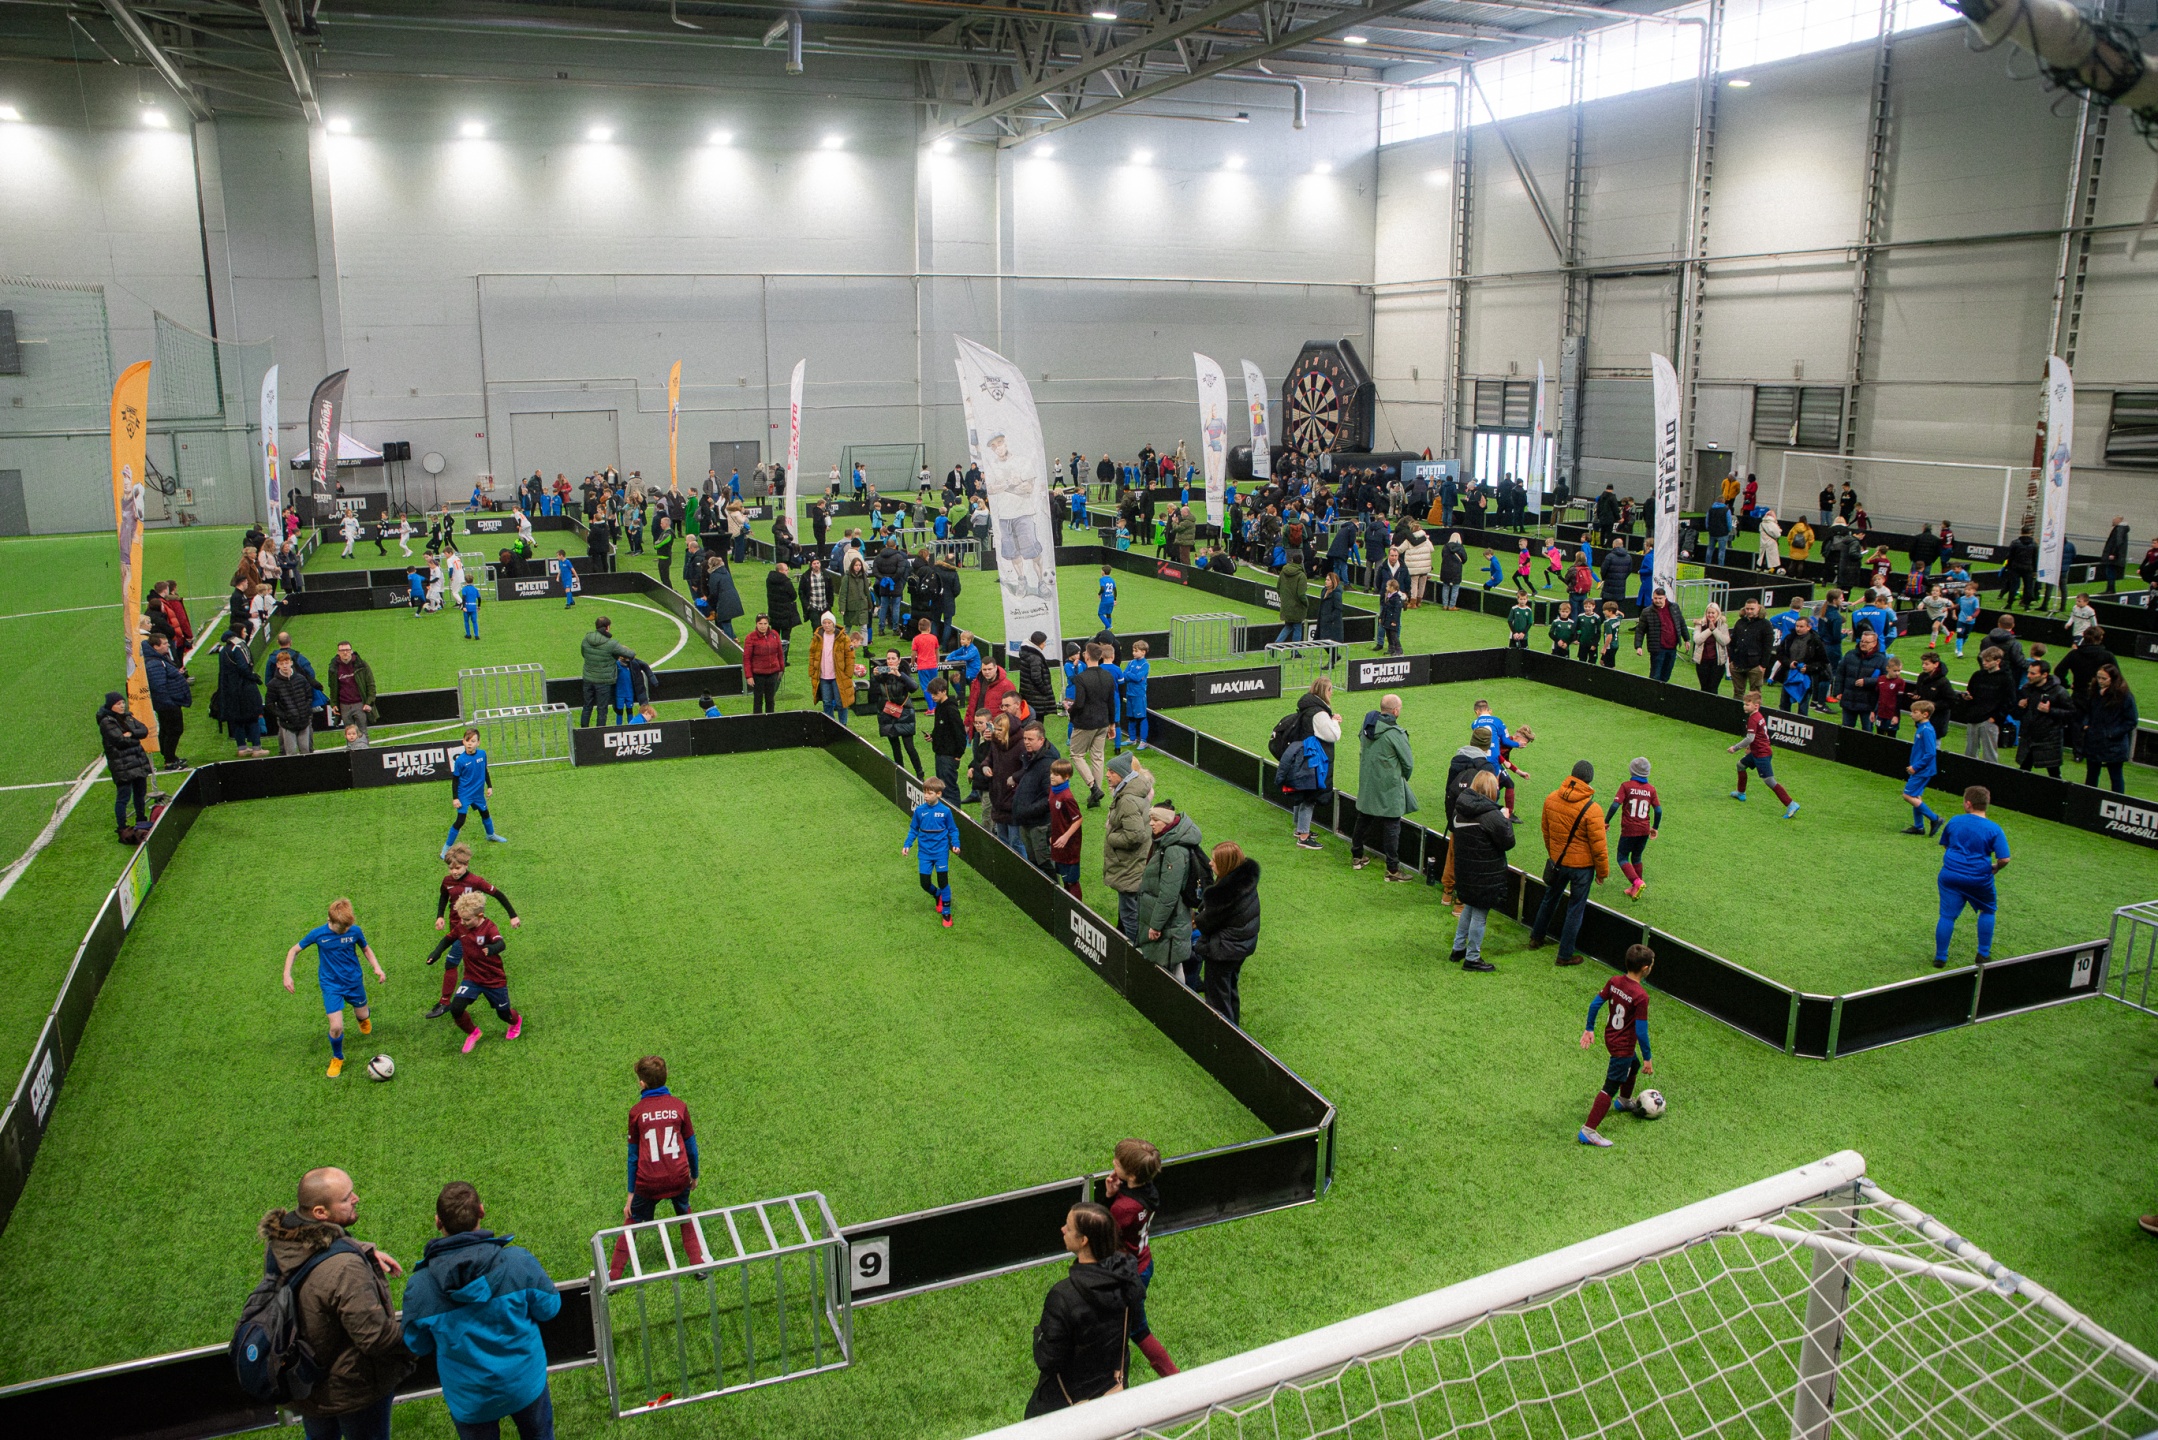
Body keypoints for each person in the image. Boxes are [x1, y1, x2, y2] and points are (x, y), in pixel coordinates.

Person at [252, 1167, 410, 1440]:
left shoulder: (279, 1242)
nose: (356, 1198)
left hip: (305, 1383)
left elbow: (313, 1250)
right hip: (352, 1391)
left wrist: (362, 1249)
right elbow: (375, 1339)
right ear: (320, 1213)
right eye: (347, 1198)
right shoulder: (346, 1269)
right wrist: (418, 1339)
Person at [400, 1182, 561, 1440]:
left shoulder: (420, 1287)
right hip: (524, 1385)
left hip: (471, 1400)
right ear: (482, 1211)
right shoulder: (518, 1262)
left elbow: (417, 1344)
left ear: (438, 1222)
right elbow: (550, 1308)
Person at [1022, 1202, 1142, 1418]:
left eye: (1068, 1227)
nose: (1062, 1229)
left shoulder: (1063, 1296)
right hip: (1112, 1398)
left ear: (1084, 1240)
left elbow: (1047, 1360)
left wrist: (1038, 1334)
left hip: (1065, 1407)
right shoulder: (1129, 1281)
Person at [606, 1056, 707, 1280]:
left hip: (649, 1181)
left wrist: (631, 1194)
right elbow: (691, 1147)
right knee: (684, 1212)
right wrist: (694, 1174)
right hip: (678, 1177)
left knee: (632, 1219)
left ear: (642, 1083)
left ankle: (614, 1275)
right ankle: (697, 1264)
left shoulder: (636, 1112)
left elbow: (633, 1157)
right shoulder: (679, 1106)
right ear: (665, 1077)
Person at [283, 898, 386, 1079]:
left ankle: (362, 1018)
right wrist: (287, 974)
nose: (346, 929)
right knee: (336, 1026)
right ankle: (338, 1057)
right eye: (343, 927)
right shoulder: (318, 934)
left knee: (363, 1015)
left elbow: (366, 949)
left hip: (354, 982)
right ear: (330, 920)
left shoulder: (354, 930)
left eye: (348, 926)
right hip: (331, 985)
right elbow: (293, 950)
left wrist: (376, 967)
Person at [1526, 760, 1609, 967]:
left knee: (1549, 898)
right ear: (1589, 780)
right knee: (1575, 909)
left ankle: (1536, 937)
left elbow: (1546, 831)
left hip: (1558, 861)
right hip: (1582, 868)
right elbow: (1599, 846)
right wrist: (1602, 872)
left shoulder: (1551, 798)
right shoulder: (1592, 809)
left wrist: (1554, 854)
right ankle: (1564, 954)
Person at [1577, 944, 1657, 1147]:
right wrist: (1648, 1057)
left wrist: (1589, 1028)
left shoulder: (1615, 981)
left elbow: (1595, 1004)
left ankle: (1624, 1101)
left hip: (1611, 1037)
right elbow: (1641, 1031)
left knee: (1633, 1064)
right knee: (1609, 1087)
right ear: (1645, 968)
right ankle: (1588, 1130)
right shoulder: (1641, 996)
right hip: (1623, 1047)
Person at [427, 890, 522, 1054]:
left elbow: (501, 944)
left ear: (480, 915)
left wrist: (491, 949)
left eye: (467, 919)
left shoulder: (489, 928)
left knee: (504, 1014)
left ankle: (516, 1021)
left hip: (494, 980)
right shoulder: (462, 927)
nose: (463, 922)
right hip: (472, 978)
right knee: (456, 1008)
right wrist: (436, 953)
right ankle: (473, 1033)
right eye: (461, 919)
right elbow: (448, 939)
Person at [1934, 786, 2010, 968]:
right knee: (1987, 910)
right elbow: (2004, 858)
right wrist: (1996, 867)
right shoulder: (1994, 829)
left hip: (1950, 875)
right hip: (1979, 878)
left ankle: (1940, 958)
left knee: (1947, 916)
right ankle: (1983, 954)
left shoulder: (1955, 821)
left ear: (1968, 803)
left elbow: (1946, 844)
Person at [1447, 771, 1515, 973]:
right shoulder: (1491, 815)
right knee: (1480, 914)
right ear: (1492, 790)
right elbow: (1508, 841)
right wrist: (1505, 819)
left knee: (1469, 907)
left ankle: (1458, 948)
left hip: (1465, 870)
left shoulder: (1460, 809)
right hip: (1485, 873)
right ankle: (1472, 957)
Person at [1192, 841, 1260, 1023]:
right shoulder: (1246, 883)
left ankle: (1223, 1035)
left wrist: (1197, 917)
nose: (1210, 863)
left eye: (1214, 860)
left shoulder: (1224, 895)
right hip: (1240, 948)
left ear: (1225, 865)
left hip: (1224, 951)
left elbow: (1205, 922)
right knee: (1230, 990)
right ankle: (1234, 1027)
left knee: (1218, 999)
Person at [1136, 803, 1204, 983]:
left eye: (1155, 819)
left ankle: (1178, 997)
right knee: (1173, 965)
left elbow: (1169, 894)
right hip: (1172, 919)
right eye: (1150, 819)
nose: (1151, 823)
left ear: (1166, 822)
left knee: (1172, 967)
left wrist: (1155, 926)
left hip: (1172, 921)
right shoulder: (1166, 841)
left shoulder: (1174, 850)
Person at [1351, 695, 1416, 881]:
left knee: (1364, 817)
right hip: (1389, 785)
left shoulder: (1366, 726)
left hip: (1368, 781)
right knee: (1392, 825)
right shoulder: (1395, 734)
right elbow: (1408, 764)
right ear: (1395, 711)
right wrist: (1400, 777)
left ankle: (1357, 856)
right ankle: (1392, 870)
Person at [1102, 753, 1155, 943]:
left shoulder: (1127, 800)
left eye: (1111, 771)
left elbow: (1136, 835)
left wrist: (1111, 837)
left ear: (1123, 774)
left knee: (1129, 915)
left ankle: (1134, 952)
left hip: (1129, 865)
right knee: (1133, 911)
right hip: (1135, 862)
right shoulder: (1132, 793)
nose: (1107, 775)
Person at [1728, 690, 1800, 817]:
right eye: (1744, 704)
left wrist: (1735, 747)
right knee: (1740, 765)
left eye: (1747, 704)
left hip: (1762, 754)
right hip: (1757, 751)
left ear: (1756, 706)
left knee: (1769, 780)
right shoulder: (1758, 716)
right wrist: (1750, 748)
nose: (1745, 706)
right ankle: (1741, 793)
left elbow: (1750, 738)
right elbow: (1759, 736)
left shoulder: (1753, 719)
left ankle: (1791, 804)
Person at [903, 776, 963, 926]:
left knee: (943, 881)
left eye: (929, 793)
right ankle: (937, 895)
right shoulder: (919, 811)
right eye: (924, 792)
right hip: (924, 853)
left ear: (938, 794)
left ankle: (946, 913)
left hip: (941, 852)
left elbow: (953, 830)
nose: (925, 796)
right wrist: (907, 844)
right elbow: (913, 829)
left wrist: (955, 844)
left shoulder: (945, 811)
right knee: (924, 883)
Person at [98, 693, 155, 842]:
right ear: (111, 706)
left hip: (137, 761)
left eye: (123, 702)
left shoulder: (128, 717)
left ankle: (141, 820)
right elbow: (120, 741)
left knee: (140, 793)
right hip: (122, 765)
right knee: (123, 796)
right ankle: (122, 827)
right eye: (118, 704)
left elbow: (144, 730)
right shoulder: (106, 722)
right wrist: (134, 738)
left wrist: (131, 734)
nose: (122, 705)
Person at [1066, 644, 1119, 806]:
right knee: (1097, 757)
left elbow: (1079, 703)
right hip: (1103, 721)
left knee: (1076, 754)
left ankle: (1093, 787)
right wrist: (1112, 724)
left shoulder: (1081, 678)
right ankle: (1096, 795)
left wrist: (1070, 711)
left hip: (1085, 722)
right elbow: (1111, 702)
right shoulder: (1107, 676)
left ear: (1087, 656)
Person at [443, 727, 507, 856]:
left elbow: (484, 771)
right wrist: (455, 798)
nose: (470, 744)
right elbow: (455, 780)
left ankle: (490, 835)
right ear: (463, 741)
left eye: (473, 741)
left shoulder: (482, 754)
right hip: (464, 794)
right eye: (467, 740)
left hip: (478, 794)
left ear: (478, 742)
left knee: (485, 813)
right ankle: (446, 848)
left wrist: (489, 786)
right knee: (460, 820)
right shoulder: (460, 760)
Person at [1606, 757, 1661, 901]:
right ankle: (1634, 888)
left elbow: (1615, 805)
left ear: (1631, 770)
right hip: (1644, 830)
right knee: (1636, 857)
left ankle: (1637, 882)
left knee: (1622, 857)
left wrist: (1606, 821)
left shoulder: (1626, 786)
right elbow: (1658, 810)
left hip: (1629, 829)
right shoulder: (1651, 789)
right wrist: (1655, 827)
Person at [1011, 722, 1062, 872]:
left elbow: (1050, 797)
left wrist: (1028, 810)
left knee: (1045, 864)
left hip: (1039, 825)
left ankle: (1053, 888)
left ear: (1041, 740)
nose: (1026, 742)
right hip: (1027, 821)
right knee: (1034, 863)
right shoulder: (1031, 757)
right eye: (1025, 738)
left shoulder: (1048, 764)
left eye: (1030, 739)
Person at [2081, 664, 2139, 793]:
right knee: (2091, 774)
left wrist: (2112, 734)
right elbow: (2088, 711)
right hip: (2094, 739)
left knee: (2115, 775)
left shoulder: (2124, 696)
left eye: (2104, 678)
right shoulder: (2094, 692)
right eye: (2098, 677)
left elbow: (2131, 721)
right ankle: (2088, 798)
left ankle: (2118, 800)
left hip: (2114, 744)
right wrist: (2086, 724)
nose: (2100, 681)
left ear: (2113, 679)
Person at [869, 650, 925, 778]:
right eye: (888, 658)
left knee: (909, 747)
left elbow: (914, 687)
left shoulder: (904, 672)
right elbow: (872, 695)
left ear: (899, 660)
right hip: (888, 714)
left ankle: (920, 774)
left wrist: (900, 675)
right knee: (895, 747)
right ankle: (901, 773)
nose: (890, 661)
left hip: (904, 713)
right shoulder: (882, 674)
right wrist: (875, 677)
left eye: (893, 658)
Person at [2013, 658, 2072, 778]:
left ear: (2044, 674)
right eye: (2029, 672)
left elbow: (2071, 713)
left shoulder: (2059, 692)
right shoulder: (2026, 689)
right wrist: (2020, 706)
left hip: (2049, 738)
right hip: (2029, 736)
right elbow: (2017, 714)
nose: (2028, 676)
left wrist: (2050, 711)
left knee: (2053, 772)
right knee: (2023, 769)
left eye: (2033, 673)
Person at [144, 633, 192, 772]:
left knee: (167, 729)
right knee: (174, 730)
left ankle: (170, 756)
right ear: (155, 646)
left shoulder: (159, 659)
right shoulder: (154, 663)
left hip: (168, 702)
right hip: (167, 704)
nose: (168, 645)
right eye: (164, 643)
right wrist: (169, 703)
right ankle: (169, 760)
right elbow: (158, 686)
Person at [1962, 646, 2016, 764]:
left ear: (1998, 661)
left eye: (1987, 661)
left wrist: (1995, 718)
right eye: (1983, 660)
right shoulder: (1977, 675)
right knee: (1969, 753)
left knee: (1990, 755)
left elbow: (2010, 701)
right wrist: (1967, 698)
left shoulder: (2006, 678)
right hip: (1974, 717)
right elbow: (1970, 692)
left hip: (1990, 720)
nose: (1984, 663)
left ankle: (1990, 775)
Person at [577, 618, 633, 729]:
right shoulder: (611, 644)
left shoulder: (586, 639)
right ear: (607, 627)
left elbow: (583, 654)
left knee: (587, 706)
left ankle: (583, 731)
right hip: (603, 681)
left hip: (588, 679)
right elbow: (630, 654)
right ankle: (600, 733)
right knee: (602, 709)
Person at [328, 641, 377, 743]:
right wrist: (333, 704)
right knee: (349, 733)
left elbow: (371, 685)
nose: (345, 652)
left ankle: (364, 750)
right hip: (344, 705)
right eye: (342, 650)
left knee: (362, 732)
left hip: (359, 704)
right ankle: (351, 751)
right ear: (338, 652)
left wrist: (369, 702)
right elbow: (332, 687)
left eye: (347, 650)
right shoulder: (333, 668)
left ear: (351, 651)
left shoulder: (361, 665)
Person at [742, 614, 786, 714]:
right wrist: (749, 676)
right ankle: (758, 720)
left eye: (765, 623)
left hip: (773, 673)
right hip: (758, 675)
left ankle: (770, 720)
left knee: (770, 700)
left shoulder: (775, 635)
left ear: (768, 624)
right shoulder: (750, 637)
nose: (763, 626)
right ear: (756, 624)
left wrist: (781, 669)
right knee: (758, 700)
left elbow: (780, 653)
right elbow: (747, 658)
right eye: (760, 623)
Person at [1690, 604, 1730, 693]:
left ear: (1717, 613)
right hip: (1702, 661)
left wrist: (1714, 630)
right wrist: (1709, 630)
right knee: (1704, 687)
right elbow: (1697, 640)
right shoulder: (1700, 624)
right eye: (1708, 613)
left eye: (1713, 613)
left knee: (1713, 688)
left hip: (1717, 662)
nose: (1710, 615)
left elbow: (1725, 641)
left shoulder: (1723, 625)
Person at [1119, 641, 1152, 750]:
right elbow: (1124, 675)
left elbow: (1137, 678)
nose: (1133, 653)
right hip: (1129, 694)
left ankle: (1143, 741)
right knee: (1131, 717)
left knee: (1141, 717)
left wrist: (1129, 675)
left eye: (1136, 651)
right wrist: (1131, 675)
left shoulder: (1145, 665)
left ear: (1143, 652)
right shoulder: (1131, 662)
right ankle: (1132, 739)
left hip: (1139, 695)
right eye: (1133, 650)